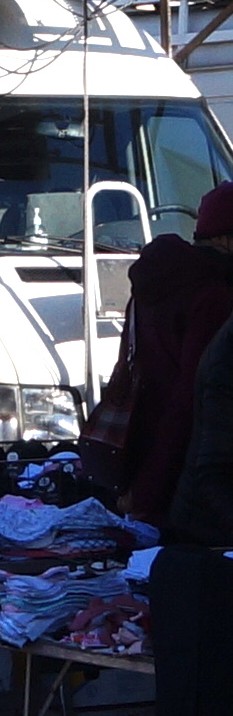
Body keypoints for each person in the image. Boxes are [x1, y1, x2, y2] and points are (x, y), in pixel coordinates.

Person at [104, 181, 233, 525]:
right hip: (184, 478)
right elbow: (193, 399)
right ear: (223, 238)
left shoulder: (155, 281)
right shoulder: (214, 296)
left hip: (141, 459)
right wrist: (150, 488)